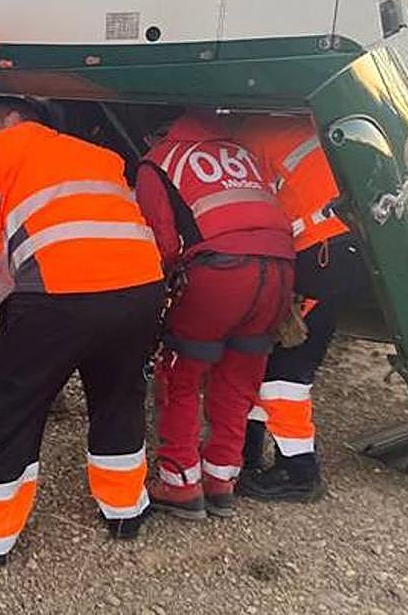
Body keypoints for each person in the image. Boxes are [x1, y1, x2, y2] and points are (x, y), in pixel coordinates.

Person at [0, 96, 165, 566]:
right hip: (140, 288)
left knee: (16, 405)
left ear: (13, 120)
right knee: (119, 397)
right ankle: (125, 507)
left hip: (58, 296)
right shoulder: (99, 155)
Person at [135, 110, 295, 519]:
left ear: (159, 133)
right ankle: (221, 479)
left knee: (181, 377)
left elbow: (163, 243)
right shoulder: (241, 154)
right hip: (279, 271)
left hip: (219, 274)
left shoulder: (160, 161)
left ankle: (180, 484)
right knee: (239, 379)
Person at [233, 114, 370, 501]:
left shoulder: (244, 140)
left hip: (320, 254)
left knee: (285, 371)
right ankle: (247, 453)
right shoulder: (298, 124)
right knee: (271, 359)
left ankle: (299, 473)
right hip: (344, 246)